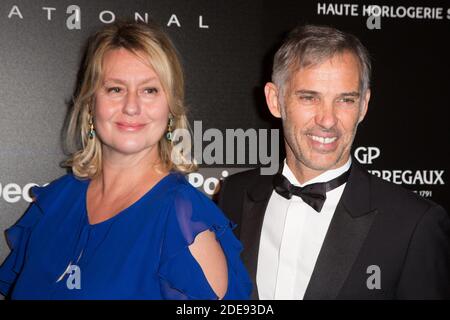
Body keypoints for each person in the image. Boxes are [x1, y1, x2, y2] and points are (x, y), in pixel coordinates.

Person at [0, 21, 251, 300]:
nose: (131, 106)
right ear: (90, 104)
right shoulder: (55, 201)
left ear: (171, 108)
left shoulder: (182, 220)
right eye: (115, 89)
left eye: (149, 90)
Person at [217, 25, 450, 299]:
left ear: (363, 105)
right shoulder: (233, 195)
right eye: (309, 97)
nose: (327, 120)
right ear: (275, 100)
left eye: (345, 100)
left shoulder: (413, 224)